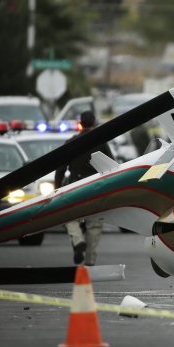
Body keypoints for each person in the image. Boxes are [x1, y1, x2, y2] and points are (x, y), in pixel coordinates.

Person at [54, 111, 114, 266]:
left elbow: (60, 169)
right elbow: (112, 166)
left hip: (75, 186)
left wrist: (57, 189)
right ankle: (89, 261)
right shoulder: (101, 142)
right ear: (94, 123)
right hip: (96, 188)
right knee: (94, 224)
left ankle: (77, 239)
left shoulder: (71, 142)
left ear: (80, 124)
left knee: (70, 218)